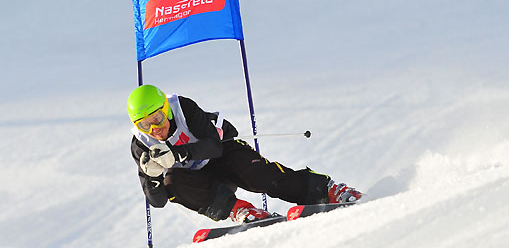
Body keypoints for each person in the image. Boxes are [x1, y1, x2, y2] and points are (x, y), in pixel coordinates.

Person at [127, 85, 362, 224]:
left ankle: (326, 190)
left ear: (165, 110)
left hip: (223, 154)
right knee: (173, 181)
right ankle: (242, 210)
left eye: (157, 118)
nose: (154, 129)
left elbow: (213, 146)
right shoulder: (142, 145)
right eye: (145, 125)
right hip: (204, 181)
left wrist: (179, 154)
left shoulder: (182, 108)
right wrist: (153, 177)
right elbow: (157, 202)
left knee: (259, 176)